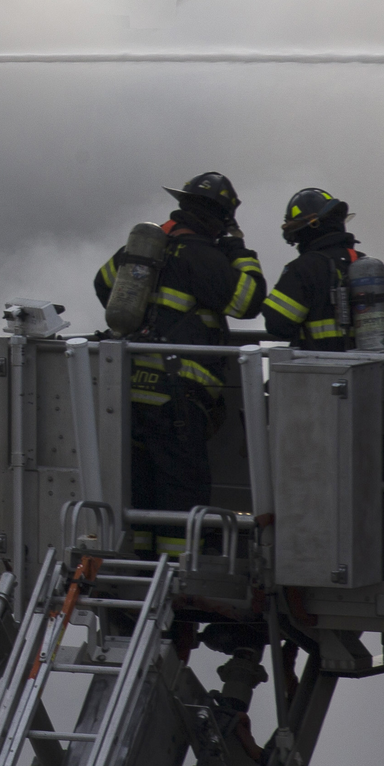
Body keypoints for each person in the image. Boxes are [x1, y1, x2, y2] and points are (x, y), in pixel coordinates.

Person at [93, 173, 266, 555]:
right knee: (180, 494)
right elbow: (249, 300)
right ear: (221, 218)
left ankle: (137, 569)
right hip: (177, 399)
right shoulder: (203, 257)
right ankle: (174, 574)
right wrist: (239, 250)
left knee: (139, 491)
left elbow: (104, 283)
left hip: (129, 391)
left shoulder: (145, 250)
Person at [263, 188, 364, 349]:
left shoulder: (303, 268)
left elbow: (278, 324)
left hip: (319, 368)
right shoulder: (362, 262)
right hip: (368, 369)